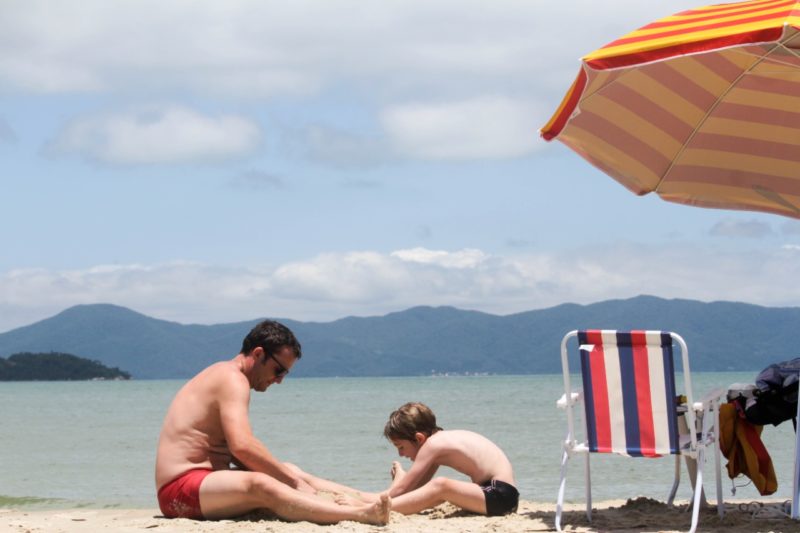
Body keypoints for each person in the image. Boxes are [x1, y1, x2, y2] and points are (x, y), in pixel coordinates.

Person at [154, 319, 390, 524]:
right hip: (178, 491)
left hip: (205, 485)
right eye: (278, 370)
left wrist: (289, 476)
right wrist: (293, 483)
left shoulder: (227, 376)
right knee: (263, 483)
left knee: (288, 469)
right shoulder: (232, 379)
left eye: (284, 374)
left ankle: (369, 498)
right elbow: (242, 446)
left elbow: (232, 449)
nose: (279, 381)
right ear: (258, 354)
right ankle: (359, 514)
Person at [381, 402, 518, 516]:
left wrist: (375, 500)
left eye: (401, 447)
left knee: (441, 486)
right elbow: (418, 489)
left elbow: (403, 489)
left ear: (419, 438)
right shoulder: (439, 443)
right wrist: (397, 485)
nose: (400, 454)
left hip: (499, 495)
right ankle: (378, 507)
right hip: (500, 495)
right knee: (434, 491)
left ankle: (378, 509)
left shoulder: (433, 444)